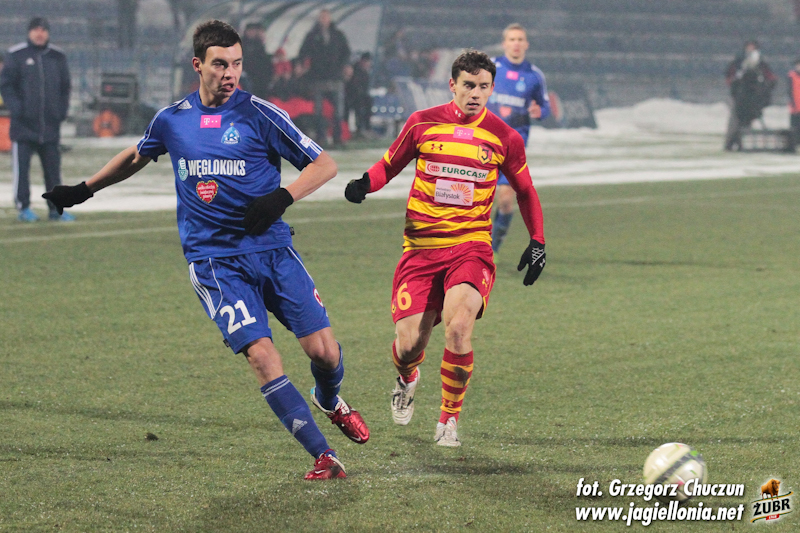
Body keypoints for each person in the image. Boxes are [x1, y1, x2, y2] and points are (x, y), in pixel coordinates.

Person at [43, 20, 369, 480]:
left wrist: (282, 197)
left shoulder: (260, 114)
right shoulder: (172, 119)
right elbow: (136, 156)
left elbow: (325, 164)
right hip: (215, 262)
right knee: (262, 356)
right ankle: (324, 455)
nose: (230, 73)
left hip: (273, 251)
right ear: (198, 65)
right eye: (220, 64)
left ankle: (330, 399)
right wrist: (83, 189)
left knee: (325, 354)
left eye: (236, 63)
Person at [344, 50, 546, 447]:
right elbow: (389, 164)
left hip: (471, 248)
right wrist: (365, 183)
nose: (475, 93)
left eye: (483, 86)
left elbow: (525, 190)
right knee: (409, 345)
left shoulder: (504, 137)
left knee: (459, 327)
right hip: (421, 249)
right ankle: (407, 377)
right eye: (468, 85)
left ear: (491, 88)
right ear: (452, 85)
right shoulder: (422, 123)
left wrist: (537, 239)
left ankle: (448, 420)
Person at [0, 17, 73, 222]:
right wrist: (17, 109)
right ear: (29, 32)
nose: (39, 34)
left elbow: (65, 87)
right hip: (24, 126)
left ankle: (56, 209)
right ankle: (23, 207)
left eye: (43, 30)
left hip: (50, 127)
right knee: (22, 171)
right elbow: (6, 85)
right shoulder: (16, 55)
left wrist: (61, 112)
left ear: (48, 33)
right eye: (36, 30)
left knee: (53, 172)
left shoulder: (57, 56)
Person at [485, 23, 550, 253]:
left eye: (520, 39)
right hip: (483, 142)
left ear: (526, 45)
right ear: (504, 43)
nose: (516, 44)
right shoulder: (489, 67)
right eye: (512, 39)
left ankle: (492, 249)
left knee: (505, 202)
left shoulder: (534, 75)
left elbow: (545, 107)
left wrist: (539, 112)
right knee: (473, 200)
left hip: (513, 147)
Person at [298, 9, 351, 147]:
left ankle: (338, 137)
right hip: (318, 77)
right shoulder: (311, 36)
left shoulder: (338, 35)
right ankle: (321, 137)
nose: (323, 20)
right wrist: (302, 65)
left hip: (335, 77)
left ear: (330, 19)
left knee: (338, 110)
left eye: (326, 17)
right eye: (321, 17)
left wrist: (345, 66)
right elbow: (303, 52)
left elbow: (346, 52)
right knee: (319, 110)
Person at [724, 40, 777, 151]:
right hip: (738, 96)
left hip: (752, 97)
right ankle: (730, 143)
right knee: (735, 121)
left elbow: (770, 78)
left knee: (747, 121)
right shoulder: (738, 62)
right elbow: (730, 77)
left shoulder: (761, 64)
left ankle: (741, 144)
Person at [240, 22, 272, 99]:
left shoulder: (258, 43)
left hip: (259, 73)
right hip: (248, 72)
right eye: (251, 31)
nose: (253, 33)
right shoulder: (243, 43)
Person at [345, 52, 373, 139]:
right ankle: (360, 129)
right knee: (360, 106)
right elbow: (352, 87)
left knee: (368, 102)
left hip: (360, 97)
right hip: (352, 97)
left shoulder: (365, 72)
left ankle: (365, 128)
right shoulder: (355, 71)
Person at [788, 58, 800, 146]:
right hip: (795, 106)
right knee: (795, 127)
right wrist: (793, 104)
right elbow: (789, 91)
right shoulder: (791, 76)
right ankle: (795, 144)